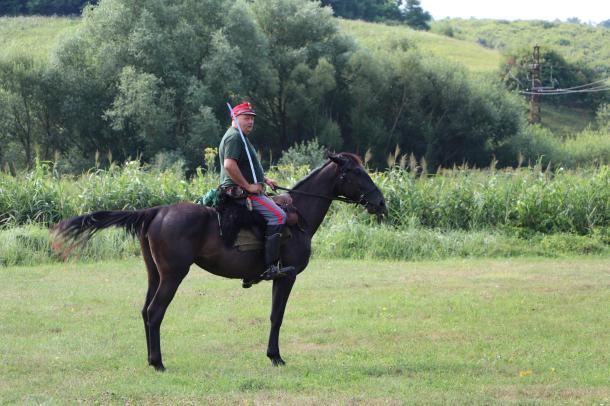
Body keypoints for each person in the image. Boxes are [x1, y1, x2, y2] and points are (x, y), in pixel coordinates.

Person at [218, 102, 294, 282]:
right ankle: (271, 267)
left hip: (251, 189)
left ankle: (254, 267)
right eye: (246, 118)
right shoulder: (234, 137)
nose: (250, 121)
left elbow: (248, 166)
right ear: (235, 118)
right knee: (279, 216)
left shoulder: (241, 137)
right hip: (241, 194)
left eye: (252, 118)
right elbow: (230, 165)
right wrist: (249, 186)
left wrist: (264, 180)